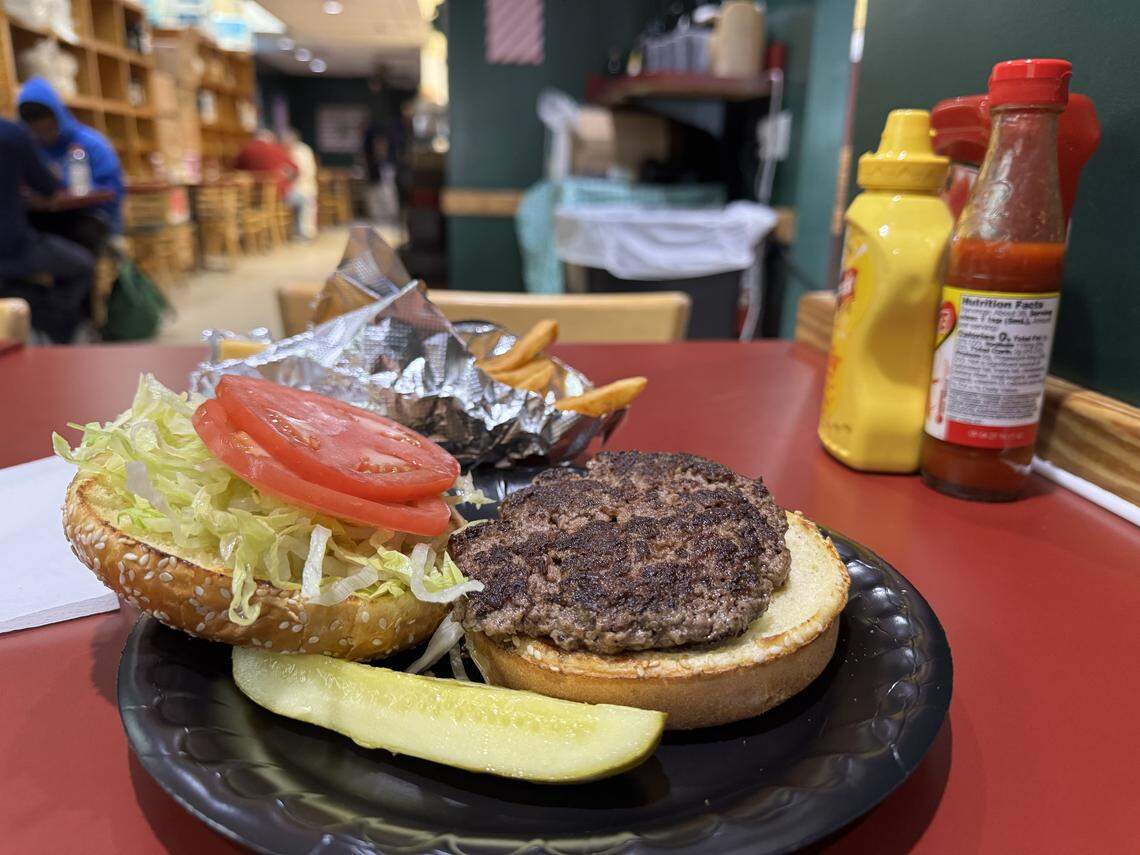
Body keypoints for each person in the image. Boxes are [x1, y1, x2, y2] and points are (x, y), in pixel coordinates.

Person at [0, 118, 95, 343]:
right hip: (13, 247)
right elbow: (47, 186)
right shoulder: (11, 134)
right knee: (83, 265)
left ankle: (23, 303)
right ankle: (53, 326)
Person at [17, 77, 124, 254]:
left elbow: (112, 189)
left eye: (47, 127)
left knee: (77, 241)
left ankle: (78, 275)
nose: (42, 134)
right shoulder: (31, 149)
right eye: (35, 129)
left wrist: (67, 187)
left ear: (58, 117)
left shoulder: (91, 143)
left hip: (91, 215)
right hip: (47, 216)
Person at [234, 129, 298, 199]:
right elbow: (295, 169)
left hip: (251, 194)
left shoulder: (245, 150)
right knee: (302, 201)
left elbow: (235, 169)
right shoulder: (275, 149)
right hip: (276, 192)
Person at [282, 128, 318, 240]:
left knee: (305, 204)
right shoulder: (289, 150)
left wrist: (287, 175)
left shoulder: (301, 151)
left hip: (304, 187)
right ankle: (300, 233)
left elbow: (302, 172)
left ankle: (305, 234)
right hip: (296, 188)